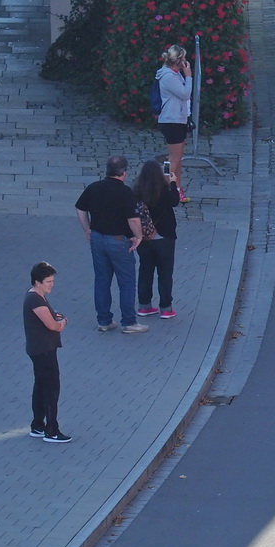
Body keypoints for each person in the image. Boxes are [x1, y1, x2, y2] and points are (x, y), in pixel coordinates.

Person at [75, 156, 146, 333]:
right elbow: (133, 220)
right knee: (127, 283)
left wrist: (87, 229)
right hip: (118, 241)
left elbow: (80, 209)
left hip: (97, 239)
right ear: (123, 172)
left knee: (101, 281)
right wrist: (138, 237)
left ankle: (104, 321)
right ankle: (129, 322)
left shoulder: (94, 188)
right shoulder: (125, 192)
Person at [23, 260, 69, 441]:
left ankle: (37, 425)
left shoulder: (34, 295)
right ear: (37, 282)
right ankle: (51, 430)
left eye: (52, 281)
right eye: (48, 282)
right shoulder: (35, 299)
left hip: (38, 349)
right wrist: (63, 321)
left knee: (40, 386)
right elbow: (53, 326)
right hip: (43, 350)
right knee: (51, 388)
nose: (52, 285)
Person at [133, 159, 180, 318]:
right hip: (164, 237)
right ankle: (166, 308)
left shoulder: (136, 192)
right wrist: (173, 183)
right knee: (165, 272)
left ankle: (144, 305)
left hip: (144, 237)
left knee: (145, 270)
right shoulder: (165, 191)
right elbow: (175, 201)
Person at [153, 43, 192, 198]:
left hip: (178, 120)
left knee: (177, 158)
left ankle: (176, 189)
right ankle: (162, 186)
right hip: (171, 120)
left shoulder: (174, 74)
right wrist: (188, 75)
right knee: (173, 159)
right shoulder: (168, 76)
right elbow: (184, 93)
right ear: (178, 60)